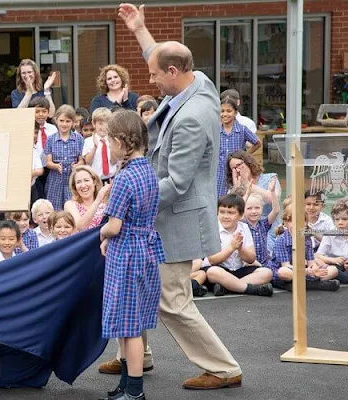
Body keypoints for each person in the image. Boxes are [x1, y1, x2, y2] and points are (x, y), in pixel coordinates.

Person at [118, 3, 242, 389]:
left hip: (176, 220)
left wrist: (132, 199)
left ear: (174, 73)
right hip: (167, 216)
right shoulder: (197, 79)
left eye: (155, 76)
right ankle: (136, 355)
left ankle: (223, 368)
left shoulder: (192, 118)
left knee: (172, 299)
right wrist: (140, 30)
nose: (151, 81)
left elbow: (177, 183)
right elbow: (161, 55)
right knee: (141, 285)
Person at [98, 110, 162, 400]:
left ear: (123, 142)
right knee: (128, 325)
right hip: (145, 250)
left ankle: (134, 391)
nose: (108, 147)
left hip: (127, 255)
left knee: (130, 328)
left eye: (110, 141)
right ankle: (125, 385)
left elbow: (114, 225)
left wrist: (101, 235)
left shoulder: (124, 178)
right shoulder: (148, 171)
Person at [202, 194, 274, 297]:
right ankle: (250, 289)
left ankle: (228, 287)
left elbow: (251, 259)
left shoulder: (244, 228)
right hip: (219, 269)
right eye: (222, 212)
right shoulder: (213, 228)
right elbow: (213, 260)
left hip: (238, 270)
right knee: (213, 272)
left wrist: (240, 248)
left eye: (231, 213)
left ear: (240, 215)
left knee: (267, 273)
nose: (226, 216)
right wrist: (231, 248)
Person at [271, 204, 340, 291]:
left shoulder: (307, 239)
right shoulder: (282, 240)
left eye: (302, 221)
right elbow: (286, 265)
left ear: (306, 222)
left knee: (333, 270)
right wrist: (306, 271)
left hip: (304, 271)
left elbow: (311, 262)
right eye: (294, 221)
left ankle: (301, 284)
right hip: (289, 272)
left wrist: (314, 269)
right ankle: (314, 285)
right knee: (284, 272)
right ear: (286, 222)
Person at [226, 150, 282, 251]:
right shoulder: (234, 187)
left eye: (239, 165)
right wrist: (236, 190)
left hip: (270, 227)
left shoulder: (270, 178)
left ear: (248, 162)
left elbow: (272, 199)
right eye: (234, 168)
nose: (238, 170)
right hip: (247, 229)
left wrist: (248, 184)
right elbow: (231, 211)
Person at [217, 97, 262, 198]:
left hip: (237, 172)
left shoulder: (242, 129)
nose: (225, 114)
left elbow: (257, 142)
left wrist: (245, 156)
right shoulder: (215, 130)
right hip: (219, 172)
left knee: (238, 197)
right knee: (219, 198)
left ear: (235, 112)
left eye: (229, 111)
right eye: (222, 111)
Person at [45, 105, 85, 211]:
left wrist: (77, 165)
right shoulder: (50, 139)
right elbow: (48, 162)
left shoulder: (79, 139)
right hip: (56, 178)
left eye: (68, 121)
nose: (64, 124)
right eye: (61, 120)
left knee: (73, 207)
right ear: (56, 120)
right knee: (55, 209)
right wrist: (55, 166)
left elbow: (81, 159)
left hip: (72, 178)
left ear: (73, 122)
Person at [242, 180, 280, 268]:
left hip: (265, 263)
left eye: (257, 208)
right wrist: (247, 194)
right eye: (249, 208)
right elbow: (239, 210)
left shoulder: (264, 224)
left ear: (262, 209)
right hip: (249, 264)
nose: (253, 211)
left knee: (282, 274)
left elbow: (276, 210)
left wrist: (272, 192)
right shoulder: (242, 225)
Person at [64, 165, 111, 231]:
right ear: (75, 186)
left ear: (94, 182)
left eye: (86, 180)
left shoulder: (106, 204)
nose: (83, 185)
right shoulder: (70, 204)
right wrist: (98, 199)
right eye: (78, 182)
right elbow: (80, 227)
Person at [314, 198, 348, 284]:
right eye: (337, 219)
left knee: (335, 272)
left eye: (344, 219)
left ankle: (327, 279)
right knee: (331, 270)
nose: (340, 222)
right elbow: (317, 255)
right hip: (331, 265)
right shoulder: (330, 233)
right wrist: (333, 260)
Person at [82, 107, 119, 184]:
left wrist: (111, 145)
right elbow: (88, 162)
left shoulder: (113, 140)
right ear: (94, 124)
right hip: (95, 180)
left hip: (111, 179)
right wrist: (95, 147)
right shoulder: (88, 141)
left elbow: (114, 161)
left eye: (107, 123)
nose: (104, 127)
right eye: (100, 123)